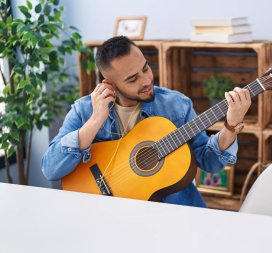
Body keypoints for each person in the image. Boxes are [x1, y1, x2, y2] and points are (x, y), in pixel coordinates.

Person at [42, 36, 251, 207]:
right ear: (109, 84)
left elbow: (210, 162)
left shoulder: (177, 105)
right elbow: (51, 169)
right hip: (106, 216)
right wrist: (96, 120)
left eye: (145, 68)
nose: (146, 80)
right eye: (132, 79)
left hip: (174, 215)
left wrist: (231, 126)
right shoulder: (84, 110)